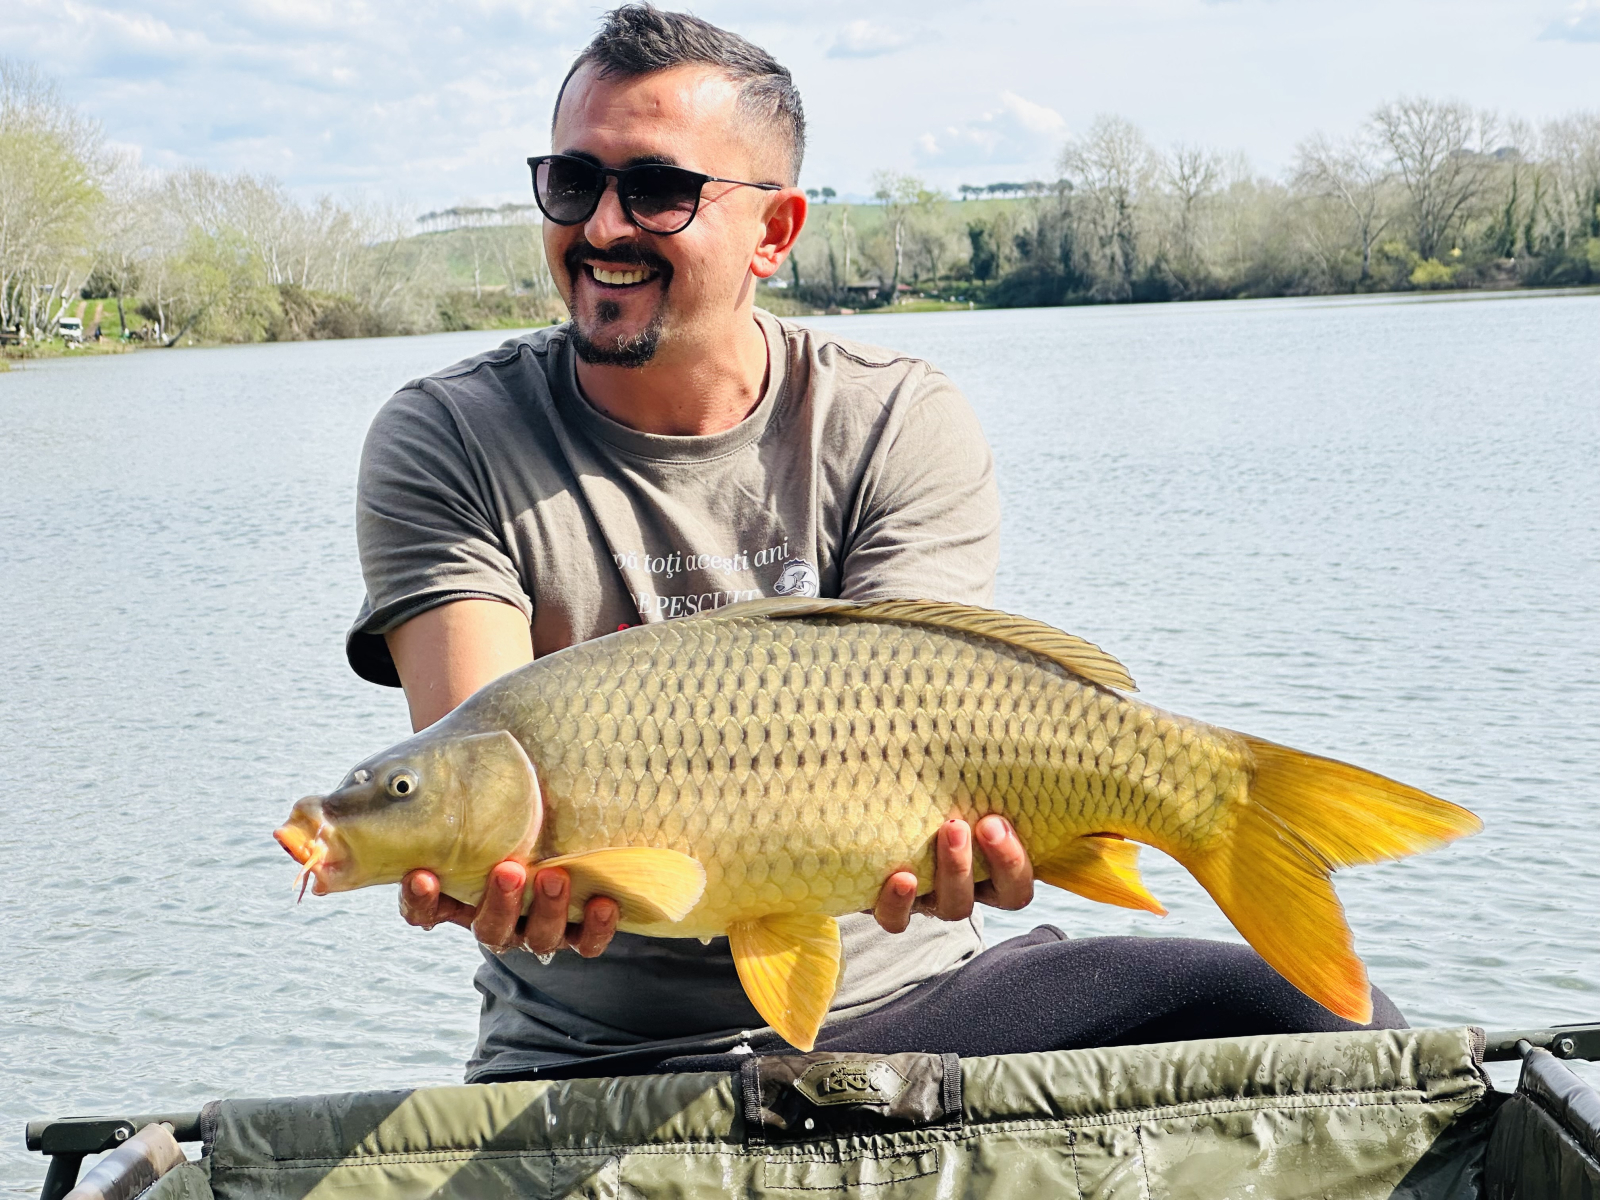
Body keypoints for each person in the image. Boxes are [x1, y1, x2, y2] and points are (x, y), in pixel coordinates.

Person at [347, 4, 1402, 1084]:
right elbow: (478, 779)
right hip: (590, 1047)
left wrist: (1025, 837)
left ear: (775, 231)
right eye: (573, 183)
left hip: (918, 992)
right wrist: (488, 870)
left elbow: (926, 698)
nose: (604, 226)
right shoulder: (449, 435)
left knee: (1332, 1030)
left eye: (658, 190)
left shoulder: (893, 417)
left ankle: (1229, 808)